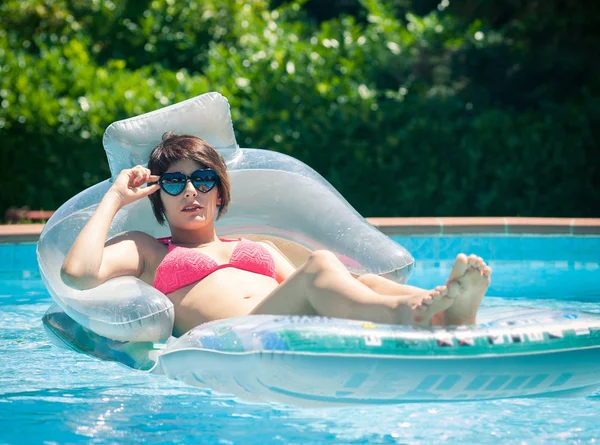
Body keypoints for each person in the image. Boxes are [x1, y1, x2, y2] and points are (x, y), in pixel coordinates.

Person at [61, 133, 491, 337]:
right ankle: (413, 314)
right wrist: (116, 197)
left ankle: (447, 309)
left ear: (220, 189)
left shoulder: (255, 247)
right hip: (240, 333)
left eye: (203, 179)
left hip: (285, 317)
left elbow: (307, 291)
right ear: (160, 197)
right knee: (321, 266)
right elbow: (77, 274)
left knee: (364, 282)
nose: (190, 190)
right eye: (174, 183)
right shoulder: (148, 250)